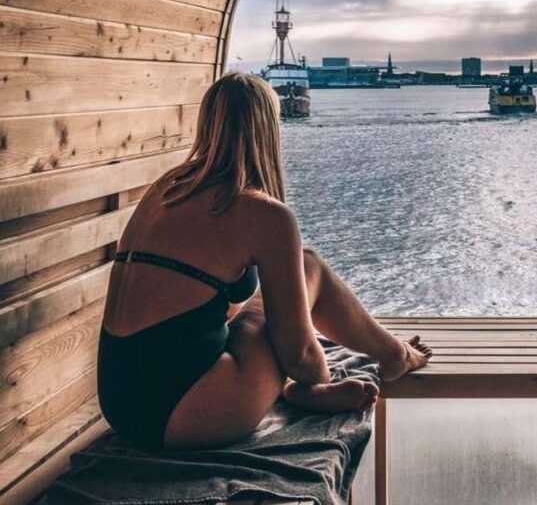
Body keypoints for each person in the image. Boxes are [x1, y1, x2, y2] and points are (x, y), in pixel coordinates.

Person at [98, 73, 432, 450]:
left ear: (208, 123)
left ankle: (311, 382)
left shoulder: (166, 188)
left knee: (284, 289)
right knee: (310, 269)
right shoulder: (264, 214)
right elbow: (300, 354)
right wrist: (315, 376)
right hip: (183, 413)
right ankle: (394, 356)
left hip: (119, 402)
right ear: (268, 129)